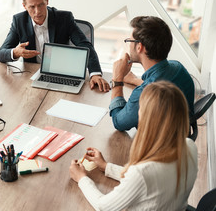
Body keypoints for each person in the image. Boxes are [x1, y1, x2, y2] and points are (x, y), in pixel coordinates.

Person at [70, 81, 198, 210]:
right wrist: (106, 167)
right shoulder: (190, 146)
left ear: (147, 119)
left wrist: (82, 178)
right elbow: (151, 184)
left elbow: (104, 207)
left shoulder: (141, 172)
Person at [0, 0, 109, 92]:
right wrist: (16, 52)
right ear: (24, 6)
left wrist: (95, 73)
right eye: (32, 7)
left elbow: (85, 45)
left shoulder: (64, 18)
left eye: (41, 4)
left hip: (62, 74)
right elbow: (1, 53)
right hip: (31, 77)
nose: (38, 11)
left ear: (47, 1)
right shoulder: (19, 21)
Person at [110, 16, 194, 131]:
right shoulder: (178, 67)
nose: (129, 45)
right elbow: (162, 86)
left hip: (157, 146)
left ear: (139, 47)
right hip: (180, 137)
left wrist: (117, 80)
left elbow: (119, 122)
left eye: (129, 41)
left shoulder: (144, 93)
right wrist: (136, 80)